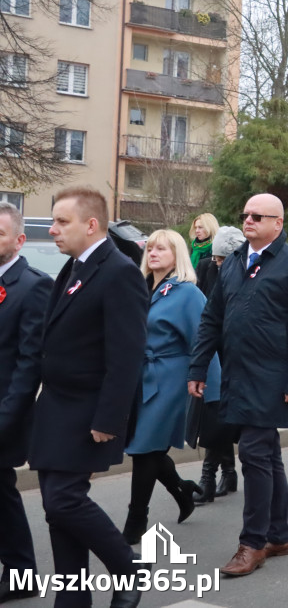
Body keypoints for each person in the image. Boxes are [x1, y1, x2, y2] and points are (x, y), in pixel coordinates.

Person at [189, 193, 288, 577]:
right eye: (245, 214)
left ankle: (252, 543)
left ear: (277, 223)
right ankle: (277, 536)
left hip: (273, 378)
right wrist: (198, 367)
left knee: (254, 453)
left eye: (257, 216)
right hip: (237, 375)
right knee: (266, 456)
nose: (248, 221)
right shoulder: (233, 263)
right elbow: (212, 319)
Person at [29, 187, 149, 607]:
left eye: (62, 222)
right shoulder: (74, 267)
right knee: (56, 508)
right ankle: (73, 600)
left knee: (64, 500)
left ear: (91, 225)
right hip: (56, 408)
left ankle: (127, 569)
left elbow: (127, 354)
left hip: (87, 411)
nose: (53, 229)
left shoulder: (118, 271)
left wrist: (109, 419)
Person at [123, 229, 217, 544]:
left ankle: (136, 519)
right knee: (146, 446)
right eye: (150, 248)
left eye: (161, 249)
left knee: (144, 448)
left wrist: (212, 390)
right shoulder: (141, 287)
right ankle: (182, 489)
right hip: (140, 377)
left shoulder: (187, 292)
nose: (153, 253)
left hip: (170, 379)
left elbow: (204, 342)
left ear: (177, 254)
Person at [0, 203, 52, 604]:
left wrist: (6, 417)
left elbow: (28, 362)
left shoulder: (32, 285)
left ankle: (21, 573)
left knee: (2, 492)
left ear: (18, 241)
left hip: (5, 408)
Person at [193, 226, 245, 504]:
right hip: (213, 351)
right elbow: (205, 313)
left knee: (223, 415)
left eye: (223, 258)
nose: (218, 263)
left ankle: (212, 474)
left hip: (236, 351)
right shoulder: (206, 268)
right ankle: (220, 472)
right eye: (216, 258)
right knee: (214, 413)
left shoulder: (246, 271)